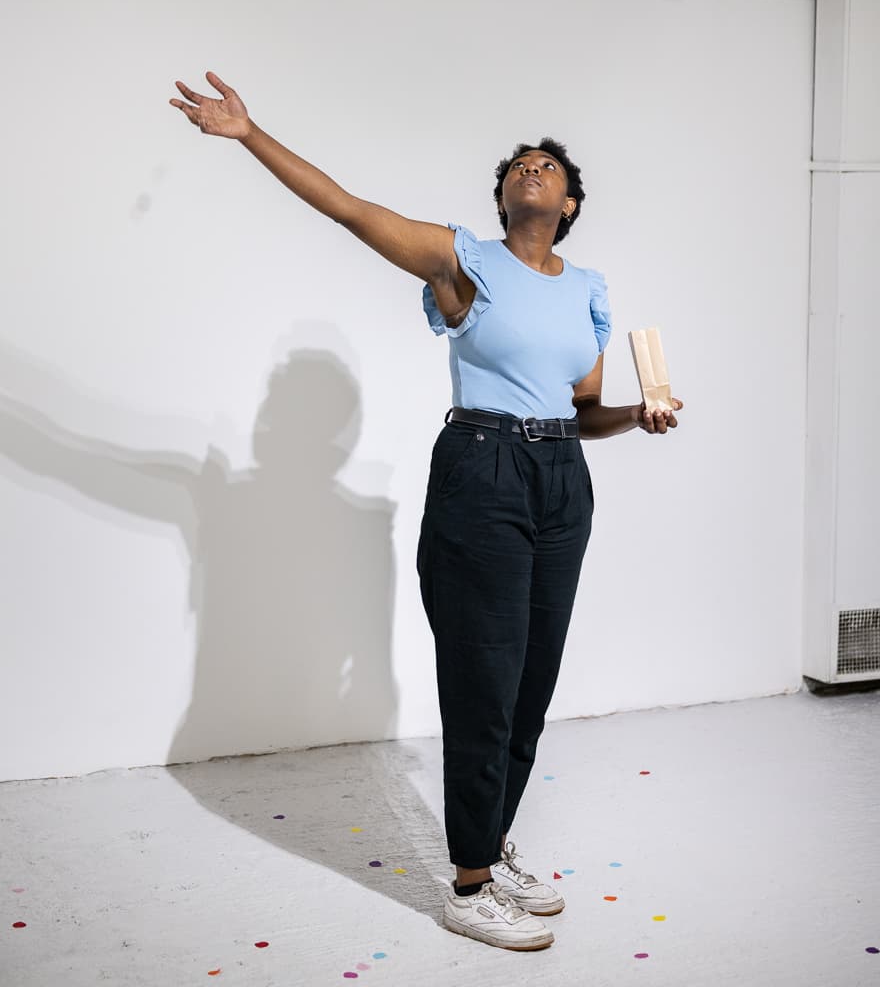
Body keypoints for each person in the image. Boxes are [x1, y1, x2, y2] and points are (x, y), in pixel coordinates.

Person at [169, 70, 682, 953]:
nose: (534, 169)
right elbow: (349, 208)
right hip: (482, 469)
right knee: (486, 679)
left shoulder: (587, 287)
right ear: (502, 196)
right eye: (520, 164)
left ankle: (492, 838)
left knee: (530, 684)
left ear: (568, 205)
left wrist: (638, 413)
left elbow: (583, 406)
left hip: (562, 479)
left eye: (549, 167)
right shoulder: (462, 261)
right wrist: (250, 134)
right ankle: (471, 883)